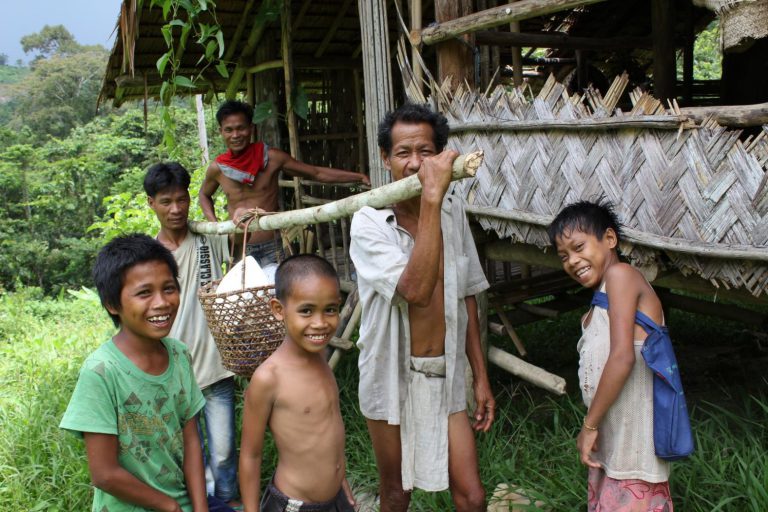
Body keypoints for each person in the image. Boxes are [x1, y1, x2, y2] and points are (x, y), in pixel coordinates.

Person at [349, 103, 495, 512]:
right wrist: (431, 197)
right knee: (397, 493)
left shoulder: (452, 210)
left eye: (426, 152)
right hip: (390, 376)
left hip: (446, 374)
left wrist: (480, 377)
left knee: (472, 496)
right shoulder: (368, 222)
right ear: (385, 158)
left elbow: (466, 294)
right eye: (403, 153)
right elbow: (415, 291)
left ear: (441, 155)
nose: (415, 164)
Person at [59, 234, 213, 511]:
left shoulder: (179, 354)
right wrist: (170, 507)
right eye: (144, 293)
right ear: (112, 304)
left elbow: (191, 440)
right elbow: (104, 474)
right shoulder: (101, 372)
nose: (162, 302)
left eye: (169, 288)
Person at [547, 200, 674, 511]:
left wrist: (589, 426)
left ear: (609, 239)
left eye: (579, 247)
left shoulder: (621, 276)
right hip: (613, 447)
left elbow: (622, 357)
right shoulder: (598, 304)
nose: (572, 261)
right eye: (564, 256)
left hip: (633, 451)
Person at [144, 162, 241, 507]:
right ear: (151, 204)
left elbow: (241, 242)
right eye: (166, 201)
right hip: (174, 374)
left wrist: (244, 217)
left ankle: (227, 502)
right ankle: (206, 504)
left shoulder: (207, 237)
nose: (175, 209)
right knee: (191, 452)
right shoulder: (149, 258)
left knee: (224, 451)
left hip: (216, 366)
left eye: (181, 199)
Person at [239, 254, 355, 512]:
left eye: (330, 310)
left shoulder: (320, 357)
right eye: (306, 311)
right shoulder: (269, 378)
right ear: (278, 310)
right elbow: (250, 455)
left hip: (336, 498)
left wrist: (341, 479)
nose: (320, 323)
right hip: (296, 505)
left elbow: (328, 432)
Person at [199, 100, 370, 266]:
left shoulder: (272, 158)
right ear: (221, 132)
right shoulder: (217, 168)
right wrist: (216, 225)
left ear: (251, 128)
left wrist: (358, 177)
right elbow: (204, 195)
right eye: (229, 130)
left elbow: (315, 172)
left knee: (278, 286)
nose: (235, 135)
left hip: (272, 246)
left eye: (241, 128)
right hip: (238, 248)